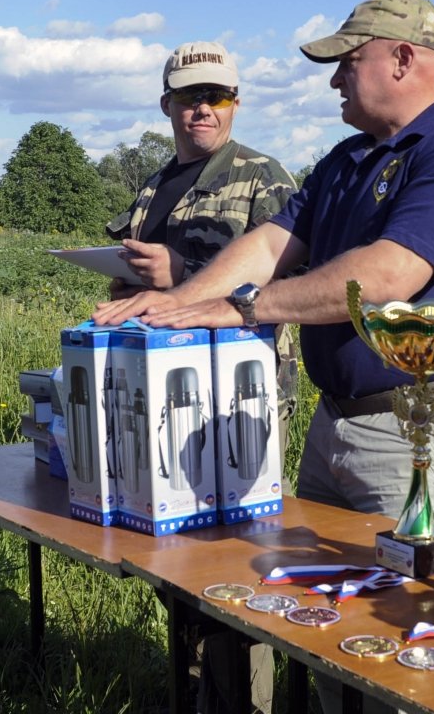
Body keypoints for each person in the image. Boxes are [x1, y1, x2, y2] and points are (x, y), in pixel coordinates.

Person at [94, 0, 434, 710]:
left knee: (410, 642)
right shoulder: (349, 159)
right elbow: (270, 243)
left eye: (346, 64)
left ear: (403, 59)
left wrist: (236, 309)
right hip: (336, 429)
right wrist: (180, 305)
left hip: (418, 432)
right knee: (330, 635)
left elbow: (387, 277)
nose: (333, 82)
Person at [107, 40, 298, 714]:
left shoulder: (264, 177)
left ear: (236, 104)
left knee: (234, 564)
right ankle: (193, 691)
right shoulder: (154, 186)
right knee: (177, 563)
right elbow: (128, 282)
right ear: (167, 106)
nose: (202, 110)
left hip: (234, 406)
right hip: (154, 401)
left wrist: (178, 281)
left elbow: (287, 286)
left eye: (216, 97)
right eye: (190, 98)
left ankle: (248, 704)